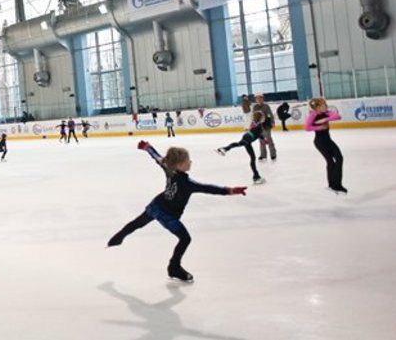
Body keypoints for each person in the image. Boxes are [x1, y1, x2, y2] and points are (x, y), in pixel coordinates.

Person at [107, 142, 247, 283]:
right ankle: (174, 267)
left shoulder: (168, 167)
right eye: (187, 160)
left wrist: (147, 147)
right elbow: (210, 189)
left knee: (138, 223)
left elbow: (156, 157)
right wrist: (232, 190)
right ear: (180, 164)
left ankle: (116, 239)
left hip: (156, 205)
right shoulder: (187, 183)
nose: (190, 162)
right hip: (168, 215)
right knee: (185, 239)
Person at [305, 97, 347, 194]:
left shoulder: (327, 113)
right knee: (330, 162)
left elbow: (338, 116)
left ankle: (337, 184)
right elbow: (307, 127)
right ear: (318, 107)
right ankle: (333, 185)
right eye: (324, 105)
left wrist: (325, 119)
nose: (326, 106)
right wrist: (320, 127)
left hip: (328, 140)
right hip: (320, 142)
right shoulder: (313, 115)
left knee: (339, 158)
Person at [216, 111, 268, 184]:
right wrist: (264, 138)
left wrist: (263, 138)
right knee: (239, 145)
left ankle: (256, 176)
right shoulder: (258, 125)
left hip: (248, 138)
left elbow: (257, 133)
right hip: (248, 138)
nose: (264, 118)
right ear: (260, 118)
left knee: (252, 157)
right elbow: (258, 133)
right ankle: (224, 149)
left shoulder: (257, 124)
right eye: (263, 117)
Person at [252, 93, 277, 161]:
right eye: (257, 98)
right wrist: (254, 124)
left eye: (260, 98)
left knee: (269, 139)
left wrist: (272, 121)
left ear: (262, 99)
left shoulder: (266, 106)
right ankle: (263, 155)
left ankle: (273, 154)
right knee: (261, 140)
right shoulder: (255, 107)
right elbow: (254, 116)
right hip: (259, 126)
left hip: (266, 125)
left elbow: (270, 114)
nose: (259, 100)